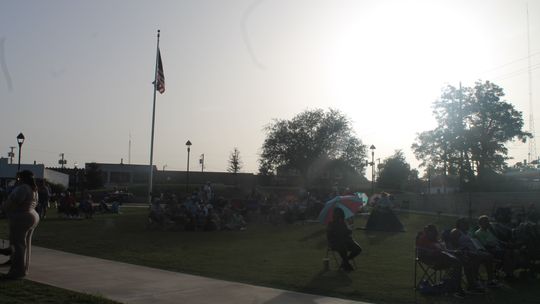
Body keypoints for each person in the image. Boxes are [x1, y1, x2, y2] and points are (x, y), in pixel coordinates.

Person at [1, 170, 40, 279]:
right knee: (24, 244)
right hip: (31, 215)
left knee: (18, 245)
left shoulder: (23, 188)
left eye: (18, 178)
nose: (17, 180)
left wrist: (4, 206)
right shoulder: (33, 189)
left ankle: (17, 271)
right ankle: (21, 266)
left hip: (21, 217)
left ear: (22, 178)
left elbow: (13, 202)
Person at [416, 224, 465, 297]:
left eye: (434, 232)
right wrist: (432, 252)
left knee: (458, 261)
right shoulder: (423, 239)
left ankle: (454, 286)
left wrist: (453, 251)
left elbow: (444, 250)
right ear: (427, 232)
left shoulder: (435, 240)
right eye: (430, 232)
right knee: (456, 263)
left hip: (442, 258)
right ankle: (456, 288)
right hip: (432, 260)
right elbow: (420, 251)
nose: (433, 233)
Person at [327, 207, 362, 272]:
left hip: (346, 241)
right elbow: (330, 237)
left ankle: (345, 262)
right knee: (343, 247)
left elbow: (347, 233)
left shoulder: (343, 223)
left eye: (341, 216)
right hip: (335, 243)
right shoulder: (331, 224)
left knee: (358, 249)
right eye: (339, 216)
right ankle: (346, 263)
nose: (340, 218)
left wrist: (350, 229)